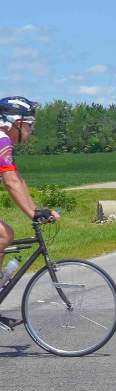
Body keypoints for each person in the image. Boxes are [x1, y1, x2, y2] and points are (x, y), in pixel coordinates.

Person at [0, 96, 60, 275]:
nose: (31, 130)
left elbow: (17, 179)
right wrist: (33, 214)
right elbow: (9, 182)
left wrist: (36, 210)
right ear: (16, 122)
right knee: (4, 235)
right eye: (29, 124)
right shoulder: (1, 140)